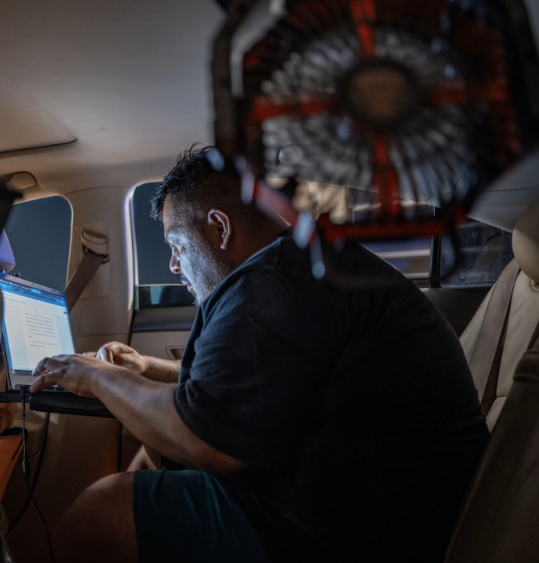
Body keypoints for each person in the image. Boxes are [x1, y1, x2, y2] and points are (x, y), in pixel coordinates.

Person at [29, 145, 490, 563]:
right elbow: (241, 387)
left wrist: (92, 376)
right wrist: (144, 368)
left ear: (219, 227)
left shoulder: (276, 282)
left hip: (358, 535)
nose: (173, 264)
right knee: (151, 459)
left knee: (97, 514)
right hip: (371, 512)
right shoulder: (301, 269)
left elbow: (206, 441)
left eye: (176, 244)